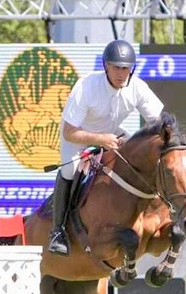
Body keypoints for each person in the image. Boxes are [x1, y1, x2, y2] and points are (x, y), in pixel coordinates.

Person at [48, 39, 165, 256]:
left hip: (111, 131)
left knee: (137, 156)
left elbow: (160, 122)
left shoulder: (137, 87)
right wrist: (101, 139)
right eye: (116, 67)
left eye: (125, 68)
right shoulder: (86, 87)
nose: (121, 73)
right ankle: (58, 231)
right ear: (105, 66)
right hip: (78, 134)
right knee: (70, 170)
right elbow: (69, 132)